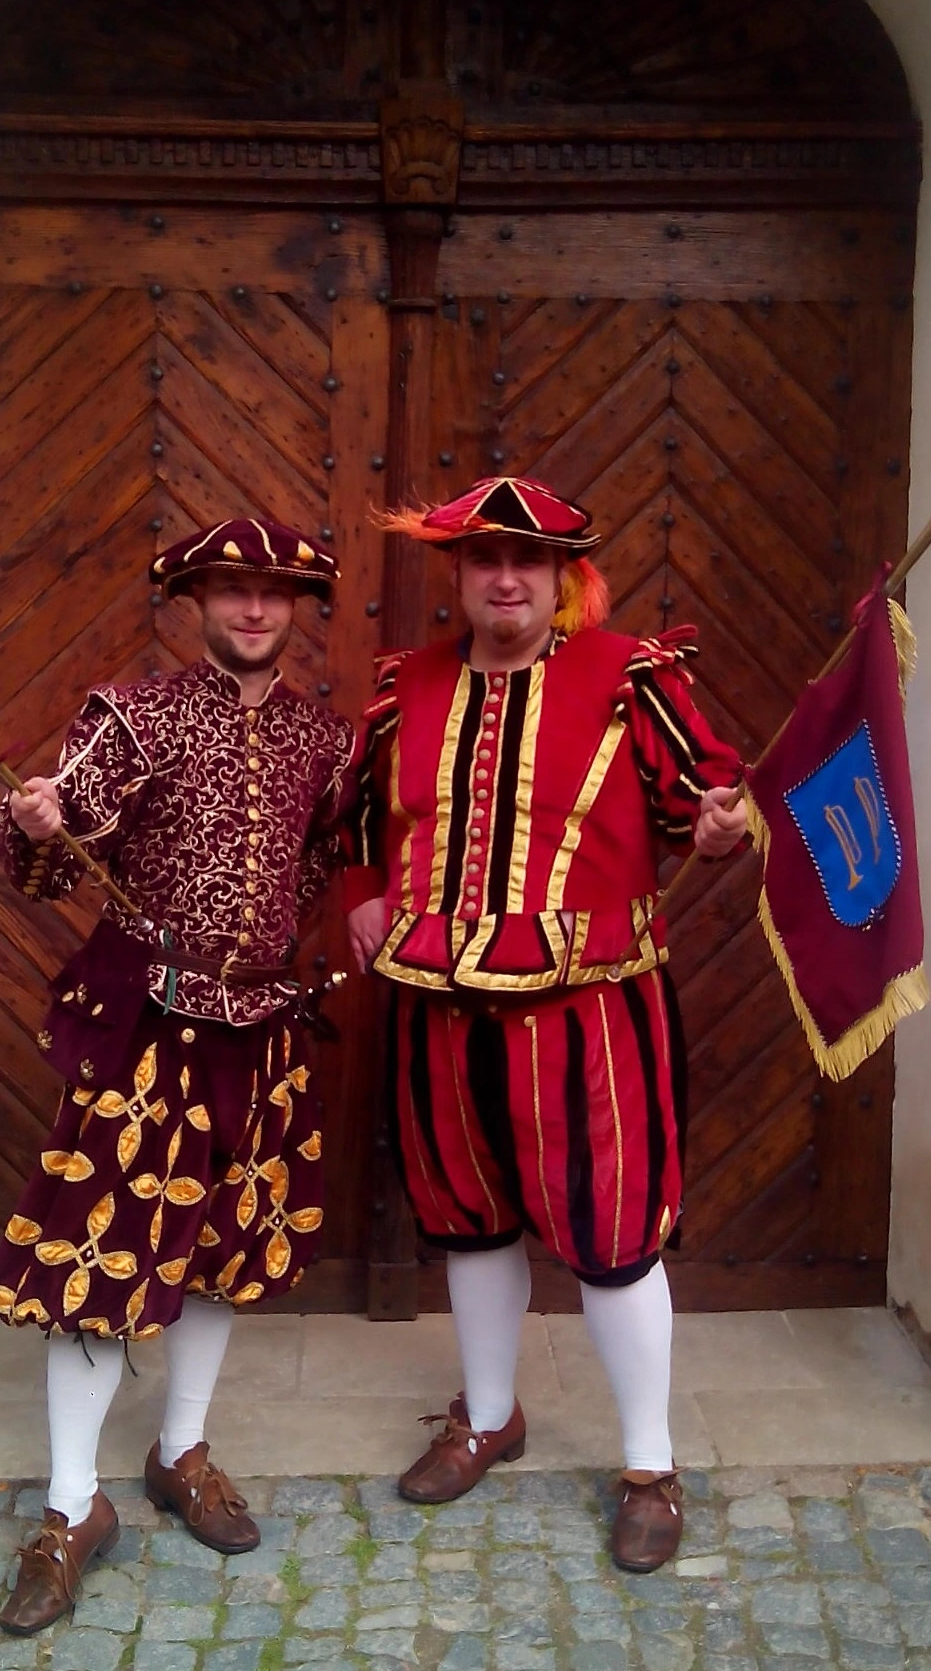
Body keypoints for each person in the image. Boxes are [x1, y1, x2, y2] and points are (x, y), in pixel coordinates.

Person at [344, 474, 749, 1572]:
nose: (506, 578)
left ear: (564, 575)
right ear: (459, 575)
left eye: (528, 560)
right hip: (436, 1000)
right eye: (484, 559)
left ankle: (649, 1465)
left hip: (589, 1006)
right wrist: (366, 893)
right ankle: (488, 1416)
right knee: (466, 1217)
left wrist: (718, 821)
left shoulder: (629, 677)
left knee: (613, 1240)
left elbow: (700, 800)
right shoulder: (406, 684)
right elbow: (358, 819)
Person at [0, 519, 357, 1632]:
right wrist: (36, 820)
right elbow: (45, 862)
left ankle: (179, 1449)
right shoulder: (131, 716)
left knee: (221, 1250)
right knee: (94, 1258)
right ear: (194, 601)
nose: (254, 608)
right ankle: (71, 1506)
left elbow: (323, 857)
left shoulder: (325, 740)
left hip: (264, 1025)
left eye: (274, 591)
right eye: (231, 588)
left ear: (296, 610)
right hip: (148, 1027)